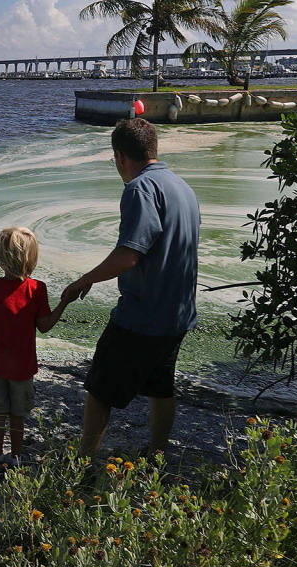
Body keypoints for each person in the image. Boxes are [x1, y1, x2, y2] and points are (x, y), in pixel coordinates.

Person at [61, 118, 201, 456]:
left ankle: (83, 463)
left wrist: (85, 279)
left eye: (115, 161)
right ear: (154, 149)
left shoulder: (140, 188)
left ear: (121, 156)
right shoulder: (183, 188)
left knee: (99, 389)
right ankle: (157, 454)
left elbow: (129, 255)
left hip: (142, 316)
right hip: (177, 315)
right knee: (160, 387)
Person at [0, 227, 69, 469]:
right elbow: (45, 326)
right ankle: (15, 457)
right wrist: (65, 302)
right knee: (17, 415)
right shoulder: (37, 289)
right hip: (22, 366)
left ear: (1, 259)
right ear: (31, 259)